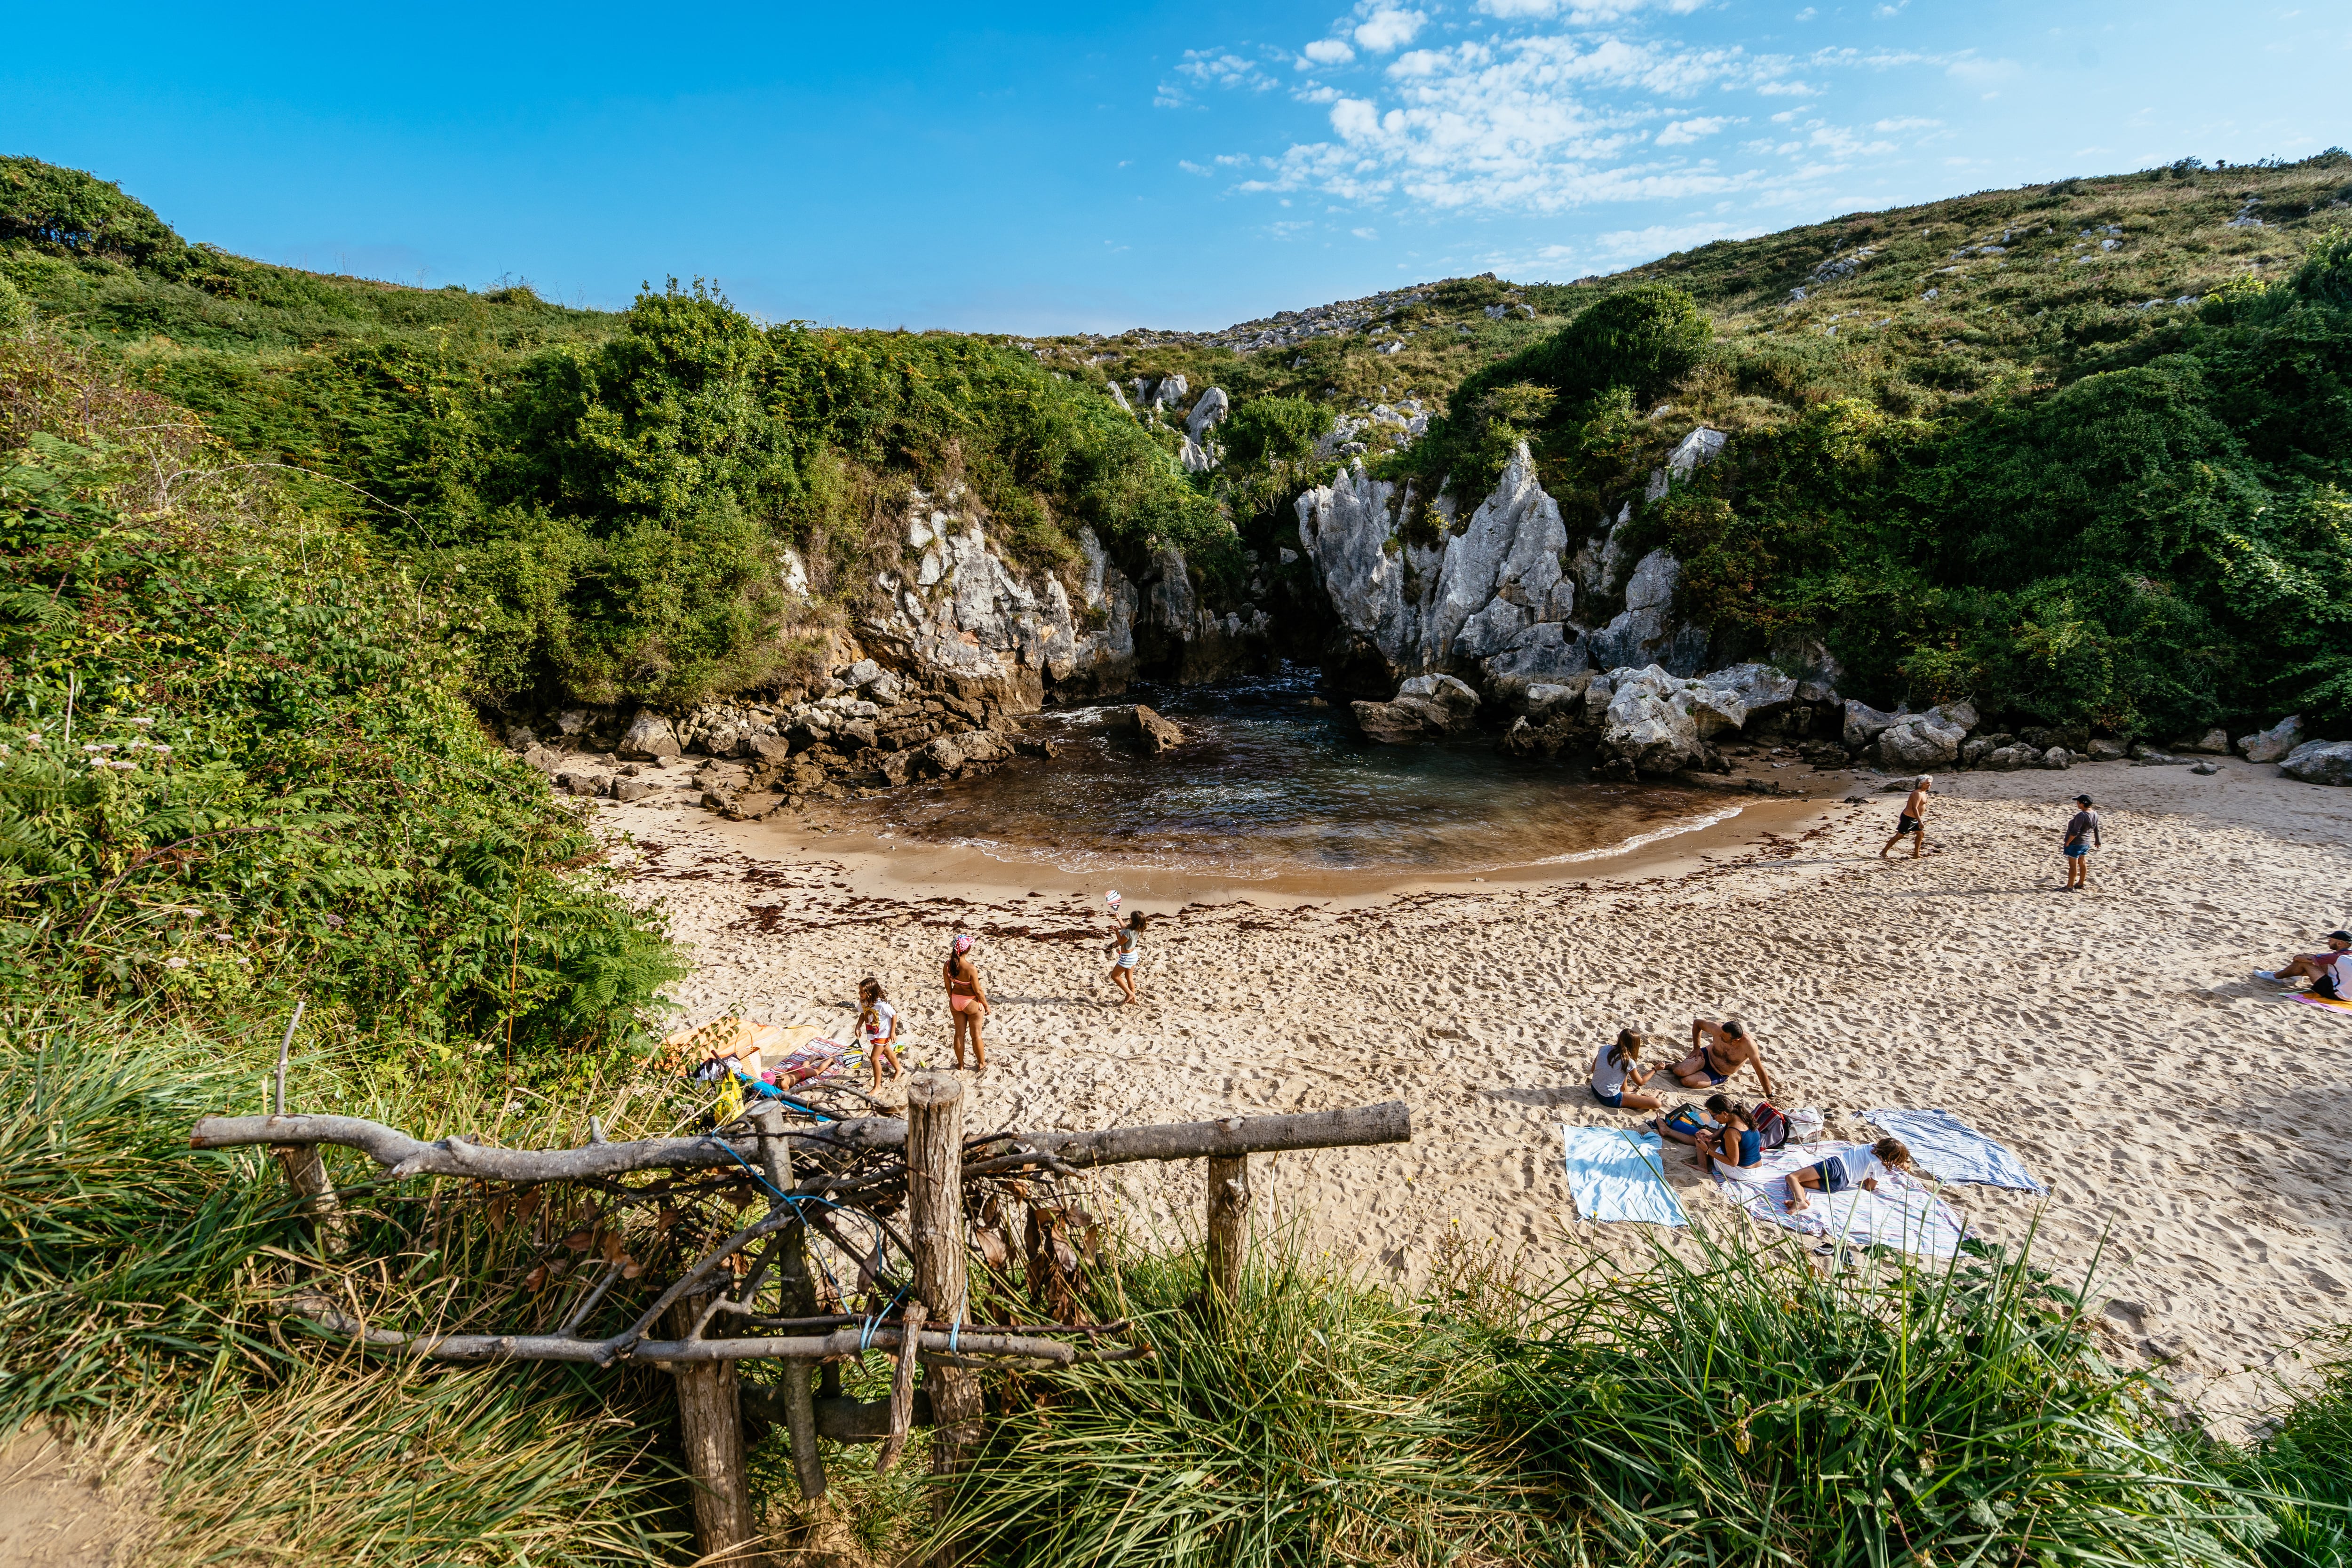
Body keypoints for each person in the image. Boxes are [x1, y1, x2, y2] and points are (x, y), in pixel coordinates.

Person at [1786, 1137, 1915, 1213]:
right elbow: (1870, 1187)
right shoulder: (1879, 1166)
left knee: (1793, 1178)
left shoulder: (1870, 1147)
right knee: (1799, 1183)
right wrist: (1867, 1178)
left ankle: (1800, 1200)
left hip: (1836, 1167)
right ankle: (1800, 1201)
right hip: (1841, 1184)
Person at [1673, 1018, 1777, 1098]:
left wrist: (1769, 1094)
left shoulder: (1749, 1045)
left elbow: (1759, 1070)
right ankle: (1672, 1065)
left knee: (1686, 1082)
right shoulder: (1718, 1029)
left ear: (1735, 1041)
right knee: (1680, 1071)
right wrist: (1697, 1048)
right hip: (1706, 1056)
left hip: (1719, 1072)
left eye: (1724, 1038)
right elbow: (1697, 1023)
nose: (1720, 1037)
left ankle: (1693, 1070)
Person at [2258, 931, 2352, 1000]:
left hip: (2336, 994)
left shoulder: (2336, 957)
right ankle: (2295, 975)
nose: (2328, 942)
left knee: (2305, 963)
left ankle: (2276, 976)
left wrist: (2301, 957)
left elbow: (2299, 959)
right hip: (2350, 996)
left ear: (2339, 943)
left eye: (2331, 940)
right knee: (2326, 964)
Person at [943, 934, 990, 1070]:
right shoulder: (971, 968)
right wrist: (986, 1005)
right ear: (967, 950)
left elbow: (948, 986)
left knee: (959, 1034)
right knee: (976, 1036)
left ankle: (961, 1065)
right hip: (971, 1003)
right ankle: (981, 1063)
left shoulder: (947, 966)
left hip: (956, 1000)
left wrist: (951, 997)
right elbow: (978, 991)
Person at [1590, 1027, 1662, 1112]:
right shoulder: (1628, 1062)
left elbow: (1593, 1069)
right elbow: (1641, 1082)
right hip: (1609, 1098)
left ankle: (1630, 1090)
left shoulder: (1604, 1048)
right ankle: (1649, 1097)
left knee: (1621, 1073)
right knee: (1657, 1103)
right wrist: (1655, 1069)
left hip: (1595, 1088)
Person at [1693, 1101, 1763, 1176]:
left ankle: (1703, 1166)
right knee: (1704, 1134)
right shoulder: (1740, 1116)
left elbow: (1733, 1162)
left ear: (1724, 1113)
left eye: (1714, 1116)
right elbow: (1724, 1129)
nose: (1714, 1119)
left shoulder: (1732, 1132)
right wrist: (1711, 1137)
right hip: (1757, 1167)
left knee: (1700, 1138)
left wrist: (1708, 1150)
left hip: (1741, 1172)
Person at [858, 976, 900, 1091]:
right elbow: (863, 1014)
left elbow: (894, 1015)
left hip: (884, 1033)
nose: (859, 993)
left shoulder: (882, 1006)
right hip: (873, 1032)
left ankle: (877, 1087)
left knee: (874, 1058)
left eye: (862, 992)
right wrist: (858, 1026)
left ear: (870, 993)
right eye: (860, 991)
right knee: (886, 1051)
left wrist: (892, 1032)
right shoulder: (863, 1002)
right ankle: (899, 1069)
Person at [1880, 775, 1931, 861]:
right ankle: (1884, 852)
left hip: (1915, 819)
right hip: (1908, 818)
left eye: (1930, 783)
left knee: (1921, 834)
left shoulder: (1924, 793)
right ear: (1921, 784)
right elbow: (1914, 808)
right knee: (1899, 836)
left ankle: (1916, 854)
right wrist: (1920, 821)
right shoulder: (1917, 794)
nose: (1929, 785)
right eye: (1927, 783)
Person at [1104, 910, 1150, 1005]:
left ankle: (1130, 994)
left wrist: (1116, 932)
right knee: (1129, 978)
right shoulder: (1137, 929)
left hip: (1127, 958)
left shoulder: (1129, 932)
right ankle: (1133, 1000)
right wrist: (1119, 919)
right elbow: (1125, 927)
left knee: (1115, 976)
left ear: (1132, 920)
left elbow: (1121, 942)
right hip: (1133, 956)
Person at [2061, 793, 2102, 891]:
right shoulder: (2095, 813)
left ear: (2083, 804)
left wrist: (2068, 842)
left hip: (2076, 844)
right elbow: (2096, 829)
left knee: (2073, 866)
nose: (2077, 803)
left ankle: (2070, 886)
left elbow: (2076, 831)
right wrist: (2098, 841)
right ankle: (2080, 883)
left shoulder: (2082, 815)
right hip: (2086, 843)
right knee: (2083, 863)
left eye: (2078, 802)